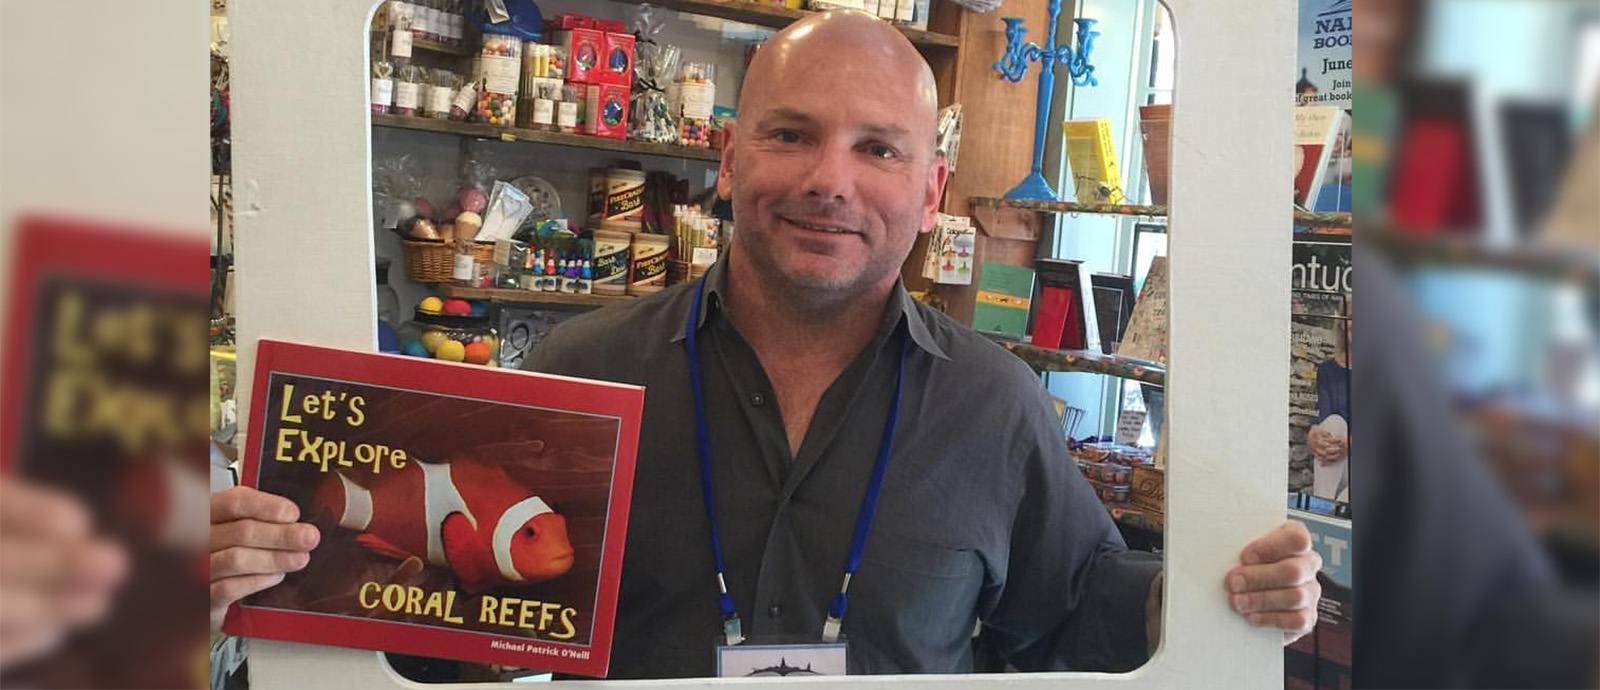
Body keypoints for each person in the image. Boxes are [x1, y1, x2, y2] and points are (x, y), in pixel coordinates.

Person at [208, 10, 1320, 677]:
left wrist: (1226, 599)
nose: (829, 180)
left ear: (929, 191)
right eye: (792, 135)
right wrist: (281, 565)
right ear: (730, 159)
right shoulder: (570, 379)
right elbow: (436, 646)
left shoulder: (996, 406)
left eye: (877, 149)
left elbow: (1073, 620)